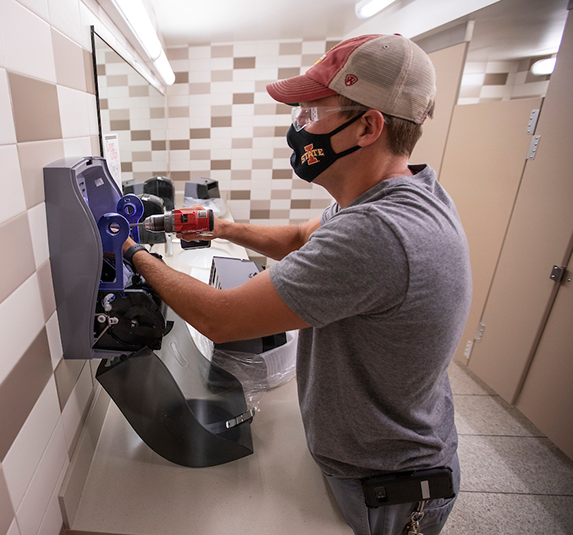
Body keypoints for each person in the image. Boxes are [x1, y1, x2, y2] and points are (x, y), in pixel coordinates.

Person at [121, 34, 471, 535]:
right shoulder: (400, 192)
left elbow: (221, 318)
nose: (298, 128)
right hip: (390, 450)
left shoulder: (377, 231)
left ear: (367, 126)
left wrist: (131, 251)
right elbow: (302, 238)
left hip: (388, 486)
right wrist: (221, 228)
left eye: (311, 113)